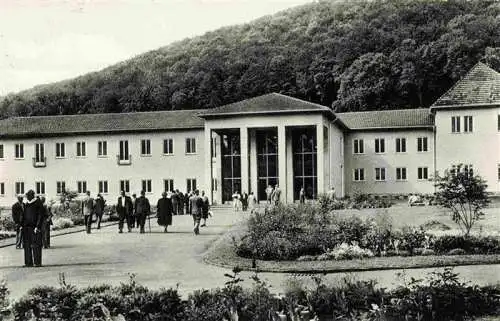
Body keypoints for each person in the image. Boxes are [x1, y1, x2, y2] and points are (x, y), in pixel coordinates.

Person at [20, 190, 44, 267]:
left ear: (32, 196)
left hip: (35, 228)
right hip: (26, 227)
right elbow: (24, 216)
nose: (26, 198)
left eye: (28, 196)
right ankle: (28, 262)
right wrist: (21, 225)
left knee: (36, 245)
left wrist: (37, 226)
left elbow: (40, 216)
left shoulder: (38, 203)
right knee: (26, 245)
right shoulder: (27, 204)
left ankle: (37, 262)